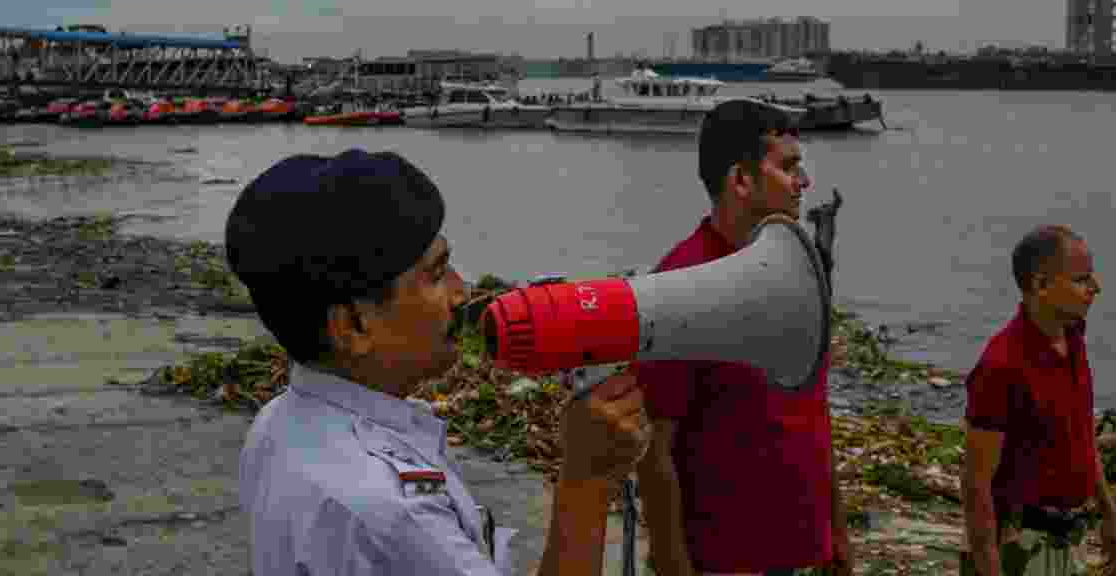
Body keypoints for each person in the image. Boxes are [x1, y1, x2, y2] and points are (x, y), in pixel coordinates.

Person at [227, 149, 653, 576]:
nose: (461, 291)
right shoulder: (391, 512)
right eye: (437, 273)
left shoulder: (278, 424)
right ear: (354, 325)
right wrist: (587, 481)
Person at [635, 99, 854, 576]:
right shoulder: (683, 284)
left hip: (802, 555)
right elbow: (656, 453)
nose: (804, 181)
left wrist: (836, 530)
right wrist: (674, 566)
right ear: (741, 180)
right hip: (723, 563)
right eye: (788, 167)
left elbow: (813, 410)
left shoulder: (799, 272)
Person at [961, 225, 1116, 576]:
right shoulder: (1001, 365)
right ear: (1040, 285)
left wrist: (1109, 517)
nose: (1095, 288)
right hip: (1021, 546)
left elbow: (1082, 437)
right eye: (1082, 279)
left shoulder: (1073, 339)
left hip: (1070, 539)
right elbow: (977, 483)